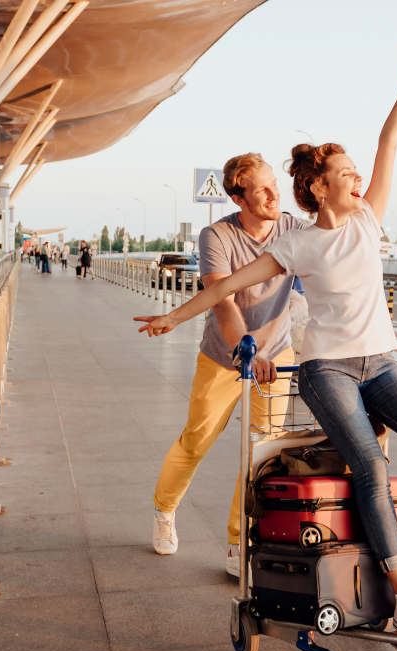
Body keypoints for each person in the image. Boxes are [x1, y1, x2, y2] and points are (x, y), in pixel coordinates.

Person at [136, 34, 397, 636]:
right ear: (320, 187)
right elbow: (225, 290)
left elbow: (389, 140)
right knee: (364, 465)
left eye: (355, 173)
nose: (357, 179)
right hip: (320, 367)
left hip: (377, 361)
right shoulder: (291, 242)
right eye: (345, 175)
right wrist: (173, 317)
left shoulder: (368, 217)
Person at [133, 153, 311, 572]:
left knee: (261, 450)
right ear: (238, 197)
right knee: (198, 439)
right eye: (262, 190)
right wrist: (246, 352)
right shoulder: (217, 236)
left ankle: (239, 542)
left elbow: (308, 284)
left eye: (274, 185)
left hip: (275, 353)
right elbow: (223, 302)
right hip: (226, 356)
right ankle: (164, 509)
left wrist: (266, 351)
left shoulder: (293, 230)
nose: (274, 195)